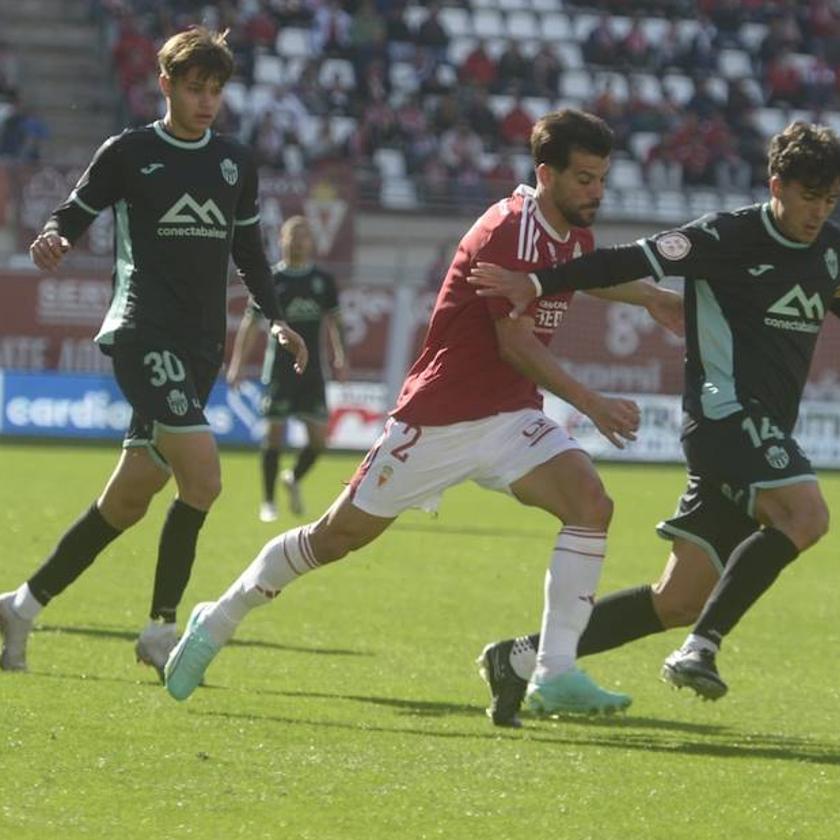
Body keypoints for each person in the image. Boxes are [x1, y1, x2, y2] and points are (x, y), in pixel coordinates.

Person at [163, 110, 685, 717]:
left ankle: (555, 670)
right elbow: (514, 343)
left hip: (510, 415)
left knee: (590, 504)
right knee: (335, 538)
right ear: (546, 174)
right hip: (439, 418)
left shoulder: (568, 229)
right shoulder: (505, 231)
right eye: (585, 180)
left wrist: (647, 294)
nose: (596, 193)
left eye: (601, 180)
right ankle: (220, 616)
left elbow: (575, 278)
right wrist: (593, 404)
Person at [469, 121, 840, 706]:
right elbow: (624, 260)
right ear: (776, 186)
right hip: (724, 415)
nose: (817, 212)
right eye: (808, 198)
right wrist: (536, 283)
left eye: (830, 200)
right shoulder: (725, 236)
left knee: (677, 599)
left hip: (761, 429)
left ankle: (518, 658)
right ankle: (702, 648)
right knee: (806, 515)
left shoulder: (832, 247)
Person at [0, 27, 307, 677]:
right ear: (165, 84)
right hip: (143, 334)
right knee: (205, 479)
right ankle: (161, 629)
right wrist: (54, 238)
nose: (207, 102)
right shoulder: (129, 153)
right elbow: (73, 215)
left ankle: (20, 606)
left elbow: (249, 251)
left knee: (128, 499)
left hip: (200, 349)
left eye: (216, 90)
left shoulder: (234, 162)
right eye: (195, 88)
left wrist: (276, 319)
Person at [227, 215, 348, 522]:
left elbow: (335, 321)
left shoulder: (323, 280)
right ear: (281, 240)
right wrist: (238, 364)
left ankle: (292, 478)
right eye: (292, 235)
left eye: (304, 235)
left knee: (319, 441)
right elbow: (251, 324)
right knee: (273, 436)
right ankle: (268, 502)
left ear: (311, 242)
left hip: (313, 371)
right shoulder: (271, 280)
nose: (298, 241)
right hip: (279, 370)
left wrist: (341, 357)